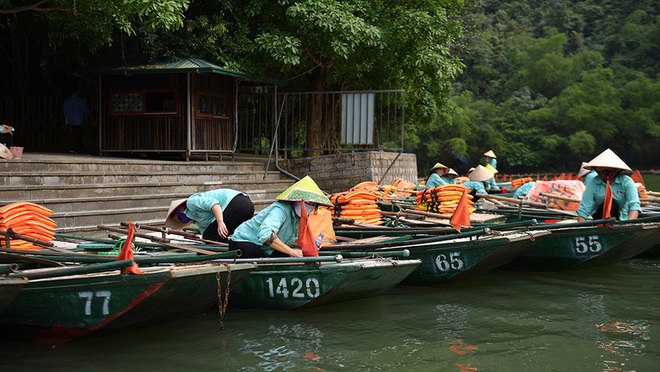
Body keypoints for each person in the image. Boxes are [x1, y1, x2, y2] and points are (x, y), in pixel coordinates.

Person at [229, 176, 333, 258]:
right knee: (258, 254)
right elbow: (265, 234)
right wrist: (292, 252)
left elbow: (290, 239)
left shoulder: (297, 218)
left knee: (285, 255)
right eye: (310, 203)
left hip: (266, 248)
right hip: (244, 242)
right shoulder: (280, 209)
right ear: (298, 201)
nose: (311, 208)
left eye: (315, 205)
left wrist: (310, 243)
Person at [165, 189, 254, 243]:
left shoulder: (191, 202)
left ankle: (222, 255)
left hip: (237, 203)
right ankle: (232, 251)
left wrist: (220, 222)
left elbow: (214, 204)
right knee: (219, 236)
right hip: (246, 209)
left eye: (181, 217)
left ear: (180, 209)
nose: (184, 220)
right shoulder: (197, 220)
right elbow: (206, 236)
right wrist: (202, 242)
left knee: (210, 235)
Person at [577, 149, 641, 222]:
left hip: (620, 219)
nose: (606, 171)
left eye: (609, 169)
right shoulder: (594, 182)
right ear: (597, 169)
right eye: (602, 168)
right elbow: (584, 208)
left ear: (617, 169)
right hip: (599, 218)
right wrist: (581, 227)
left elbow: (634, 205)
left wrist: (630, 224)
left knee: (613, 204)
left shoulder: (626, 182)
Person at [63, 87, 90, 153]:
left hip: (70, 120)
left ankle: (81, 149)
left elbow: (65, 112)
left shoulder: (67, 101)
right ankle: (73, 148)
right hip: (78, 120)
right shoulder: (79, 100)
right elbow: (86, 110)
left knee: (76, 134)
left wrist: (67, 121)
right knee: (77, 134)